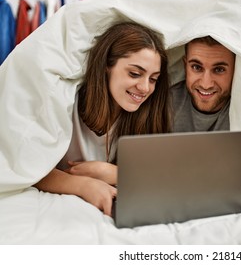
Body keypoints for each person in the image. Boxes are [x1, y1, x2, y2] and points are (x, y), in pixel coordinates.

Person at [33, 21, 171, 216]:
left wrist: (114, 173)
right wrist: (82, 185)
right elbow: (29, 167)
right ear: (107, 65)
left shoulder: (149, 113)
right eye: (135, 74)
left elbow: (163, 177)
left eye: (153, 79)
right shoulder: (65, 103)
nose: (145, 87)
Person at [171, 36, 236, 132]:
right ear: (185, 66)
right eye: (196, 67)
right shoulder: (164, 103)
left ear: (235, 70)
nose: (206, 85)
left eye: (219, 69)